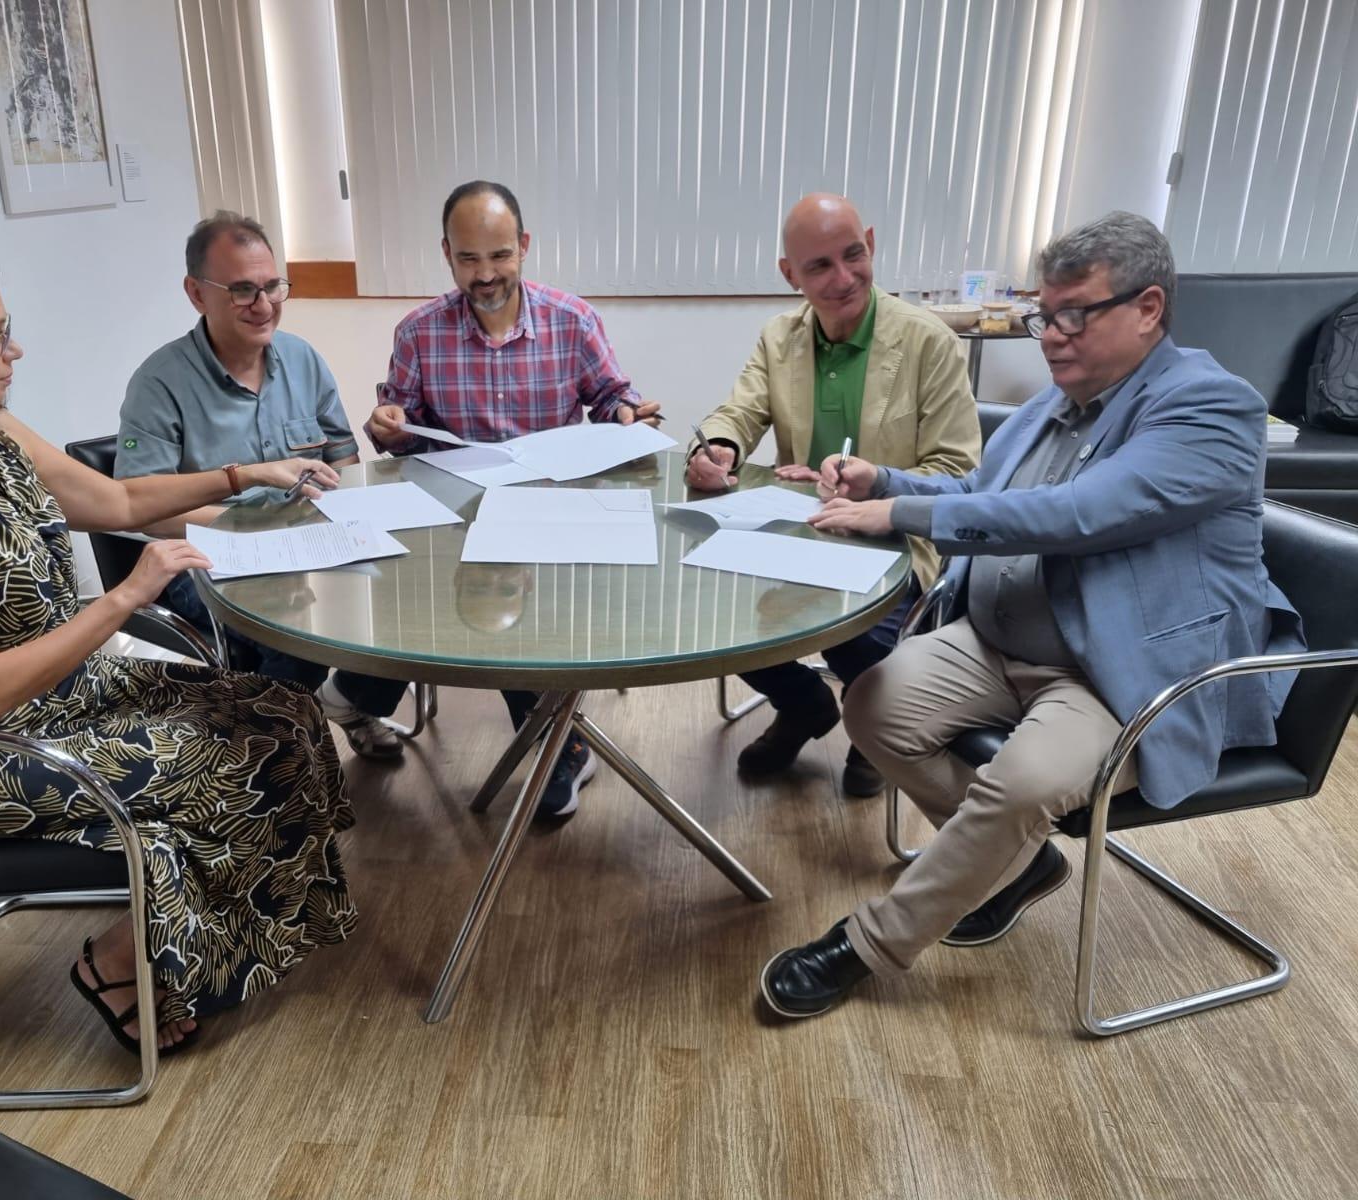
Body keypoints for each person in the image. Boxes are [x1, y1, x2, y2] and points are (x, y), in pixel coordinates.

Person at [0, 231, 359, 1054]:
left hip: (60, 700)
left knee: (283, 711)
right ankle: (120, 964)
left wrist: (245, 478)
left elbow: (119, 500)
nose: (14, 347)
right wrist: (127, 596)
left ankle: (191, 957)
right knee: (238, 755)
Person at [758, 211, 1304, 1021]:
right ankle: (1015, 868)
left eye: (1075, 314)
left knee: (1025, 785)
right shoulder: (1057, 402)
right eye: (1043, 316)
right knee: (872, 706)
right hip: (996, 640)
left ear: (1149, 308)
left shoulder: (1210, 409)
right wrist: (882, 481)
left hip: (1114, 670)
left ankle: (867, 945)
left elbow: (1080, 513)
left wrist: (899, 517)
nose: (1050, 336)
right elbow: (985, 497)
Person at [364, 179, 660, 821]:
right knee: (472, 589)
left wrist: (626, 414)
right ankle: (560, 745)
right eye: (468, 259)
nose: (485, 274)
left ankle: (558, 746)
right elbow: (401, 424)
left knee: (519, 599)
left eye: (499, 256)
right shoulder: (419, 332)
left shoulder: (571, 319)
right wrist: (387, 425)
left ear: (523, 246)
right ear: (447, 254)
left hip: (553, 512)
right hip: (458, 521)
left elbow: (611, 394)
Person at [687, 193, 980, 793]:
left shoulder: (929, 343)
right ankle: (804, 704)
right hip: (799, 535)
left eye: (853, 255)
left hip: (893, 542)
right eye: (819, 266)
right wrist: (720, 447)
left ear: (870, 243)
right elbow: (739, 412)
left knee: (856, 637)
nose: (844, 278)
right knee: (706, 608)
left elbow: (957, 473)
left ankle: (878, 723)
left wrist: (876, 481)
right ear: (789, 274)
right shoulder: (779, 338)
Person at [114, 210, 410, 762]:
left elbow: (344, 467)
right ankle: (274, 764)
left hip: (308, 543)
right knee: (296, 617)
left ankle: (346, 702)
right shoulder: (160, 383)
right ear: (197, 294)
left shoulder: (302, 359)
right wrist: (255, 529)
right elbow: (141, 510)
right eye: (243, 291)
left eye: (273, 286)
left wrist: (361, 515)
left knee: (404, 585)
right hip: (206, 557)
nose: (265, 304)